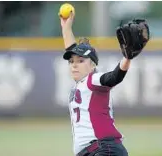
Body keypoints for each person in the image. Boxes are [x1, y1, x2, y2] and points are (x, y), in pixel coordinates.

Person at [60, 11, 149, 156]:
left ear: (93, 65)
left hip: (103, 149)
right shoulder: (81, 84)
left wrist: (127, 58)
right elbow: (72, 50)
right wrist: (66, 28)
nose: (74, 65)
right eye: (71, 62)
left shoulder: (93, 80)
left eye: (81, 61)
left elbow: (114, 77)